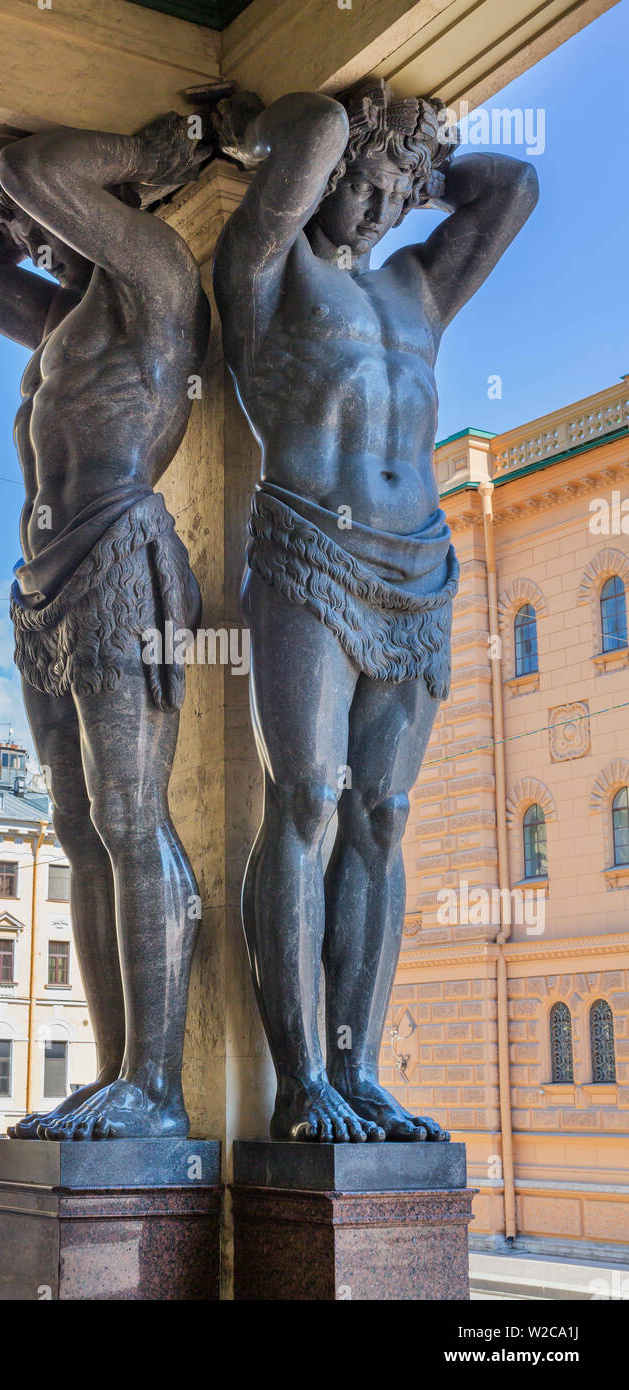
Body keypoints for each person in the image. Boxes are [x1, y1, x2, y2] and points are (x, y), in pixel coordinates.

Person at [214, 77, 538, 1143]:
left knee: (381, 821)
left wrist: (409, 163)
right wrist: (331, 143)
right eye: (363, 185)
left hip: (419, 567)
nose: (379, 206)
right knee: (304, 800)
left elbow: (510, 188)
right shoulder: (263, 270)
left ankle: (353, 1072)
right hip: (308, 549)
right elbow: (306, 129)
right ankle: (298, 1080)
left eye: (395, 193)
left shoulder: (415, 287)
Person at [0, 113, 212, 1140]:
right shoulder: (59, 323)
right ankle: (110, 1072)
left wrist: (150, 158)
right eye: (22, 225)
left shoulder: (153, 282)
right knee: (80, 832)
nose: (28, 230)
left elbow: (36, 165)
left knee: (133, 822)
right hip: (42, 587)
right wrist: (10, 216)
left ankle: (159, 1083)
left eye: (41, 221)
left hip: (119, 560)